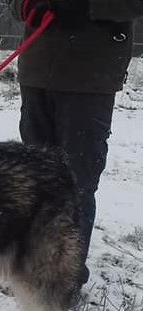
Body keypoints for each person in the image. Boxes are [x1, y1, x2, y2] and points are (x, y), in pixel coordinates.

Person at [8, 0, 143, 285]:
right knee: (34, 179)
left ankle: (65, 277)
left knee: (76, 182)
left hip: (90, 79)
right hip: (36, 71)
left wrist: (83, 6)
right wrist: (26, 6)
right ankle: (33, 263)